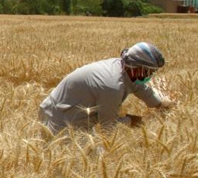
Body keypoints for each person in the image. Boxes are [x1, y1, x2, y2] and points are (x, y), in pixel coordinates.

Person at [39, 42, 174, 133]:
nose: (151, 75)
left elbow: (140, 87)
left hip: (67, 112)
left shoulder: (124, 68)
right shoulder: (112, 86)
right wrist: (131, 121)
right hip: (60, 121)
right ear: (138, 68)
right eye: (149, 71)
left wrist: (160, 104)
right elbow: (107, 126)